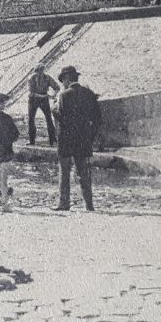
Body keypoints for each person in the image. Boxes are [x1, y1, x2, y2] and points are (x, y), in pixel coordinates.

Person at [53, 66, 100, 212]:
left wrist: (53, 109)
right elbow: (97, 118)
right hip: (83, 140)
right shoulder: (89, 94)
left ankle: (64, 203)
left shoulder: (63, 95)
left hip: (66, 140)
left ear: (67, 79)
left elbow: (61, 116)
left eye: (63, 80)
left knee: (64, 172)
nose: (62, 84)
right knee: (84, 172)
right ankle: (89, 204)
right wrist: (90, 136)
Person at [25, 63, 59, 146]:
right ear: (35, 71)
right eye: (38, 71)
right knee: (31, 120)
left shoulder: (47, 78)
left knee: (49, 119)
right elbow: (30, 93)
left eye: (41, 71)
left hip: (44, 99)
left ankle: (53, 140)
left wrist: (53, 95)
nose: (39, 73)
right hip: (33, 100)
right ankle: (32, 141)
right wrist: (43, 96)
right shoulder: (31, 78)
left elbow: (57, 87)